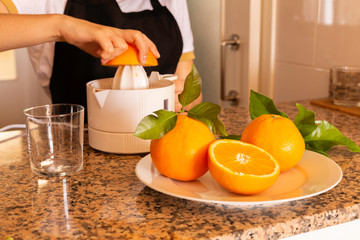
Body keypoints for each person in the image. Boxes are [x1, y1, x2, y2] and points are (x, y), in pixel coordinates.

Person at [0, 0, 201, 112]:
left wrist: (184, 99)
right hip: (80, 151)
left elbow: (188, 82)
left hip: (159, 150)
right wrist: (62, 26)